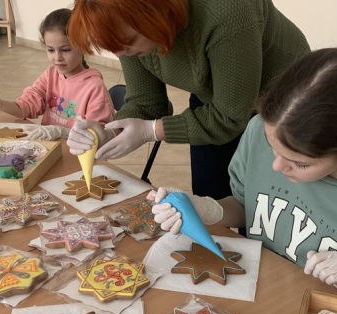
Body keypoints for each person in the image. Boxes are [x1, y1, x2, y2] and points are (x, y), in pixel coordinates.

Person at [149, 48, 337, 308]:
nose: (276, 166)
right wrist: (208, 209)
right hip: (265, 288)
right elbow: (245, 205)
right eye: (271, 147)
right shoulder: (258, 132)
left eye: (298, 164)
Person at [66, 0, 310, 200]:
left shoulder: (229, 11)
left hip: (287, 106)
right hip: (215, 99)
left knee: (262, 208)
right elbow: (146, 103)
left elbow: (230, 116)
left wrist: (152, 130)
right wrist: (109, 132)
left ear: (151, 13)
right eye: (112, 47)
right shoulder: (126, 29)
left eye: (126, 43)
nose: (120, 53)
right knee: (209, 200)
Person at [0, 8, 114, 140]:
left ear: (83, 46)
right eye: (50, 50)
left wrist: (63, 132)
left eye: (65, 50)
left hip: (79, 159)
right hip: (50, 151)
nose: (57, 58)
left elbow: (99, 136)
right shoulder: (51, 75)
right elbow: (23, 109)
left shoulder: (94, 87)